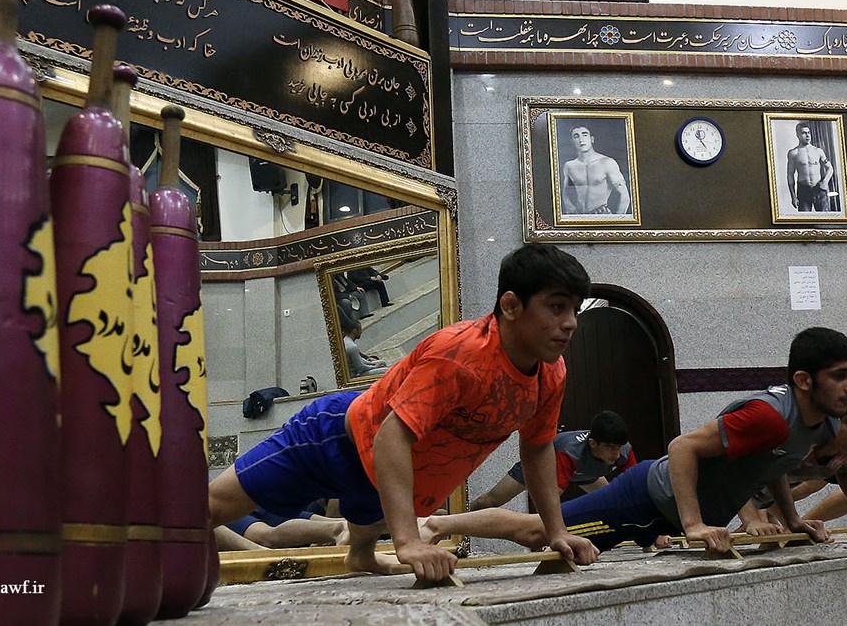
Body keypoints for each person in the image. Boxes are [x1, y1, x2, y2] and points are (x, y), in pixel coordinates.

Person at [207, 244, 597, 582]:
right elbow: (391, 436)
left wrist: (556, 531)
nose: (571, 324)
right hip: (330, 441)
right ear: (510, 305)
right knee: (209, 509)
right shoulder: (460, 355)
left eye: (574, 310)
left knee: (368, 523)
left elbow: (537, 448)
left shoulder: (551, 374)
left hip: (384, 480)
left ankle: (361, 554)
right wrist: (407, 541)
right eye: (557, 307)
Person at [420, 327, 847, 556]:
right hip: (645, 498)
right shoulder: (769, 415)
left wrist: (793, 520)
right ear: (803, 380)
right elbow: (682, 448)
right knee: (539, 531)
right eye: (840, 376)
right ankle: (436, 526)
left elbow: (774, 465)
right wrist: (694, 525)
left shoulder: (824, 425)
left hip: (662, 513)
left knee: (564, 555)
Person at [737, 386, 847, 534]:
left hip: (763, 490)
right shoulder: (793, 434)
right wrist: (752, 520)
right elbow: (732, 471)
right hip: (729, 479)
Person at [468, 410, 637, 510]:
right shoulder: (569, 453)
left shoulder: (625, 449)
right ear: (593, 443)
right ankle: (460, 516)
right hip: (539, 466)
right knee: (490, 500)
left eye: (619, 447)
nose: (616, 455)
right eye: (611, 448)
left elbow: (634, 488)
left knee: (613, 502)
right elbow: (550, 502)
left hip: (582, 471)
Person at [560, 124, 631, 215]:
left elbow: (625, 196)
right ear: (572, 141)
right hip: (579, 215)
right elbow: (565, 190)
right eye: (576, 136)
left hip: (601, 214)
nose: (581, 140)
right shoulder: (569, 166)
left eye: (585, 135)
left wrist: (617, 220)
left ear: (592, 139)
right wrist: (568, 204)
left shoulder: (607, 163)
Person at [218, 502, 348, 550]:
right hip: (225, 504)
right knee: (265, 537)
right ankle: (342, 528)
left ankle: (342, 528)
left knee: (266, 537)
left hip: (232, 501)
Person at [787, 121, 835, 212]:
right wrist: (793, 196)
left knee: (824, 217)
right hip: (803, 190)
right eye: (804, 133)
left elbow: (830, 168)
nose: (807, 135)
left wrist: (825, 182)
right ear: (798, 135)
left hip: (819, 189)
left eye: (809, 132)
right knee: (805, 219)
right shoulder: (793, 153)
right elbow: (790, 176)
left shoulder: (818, 151)